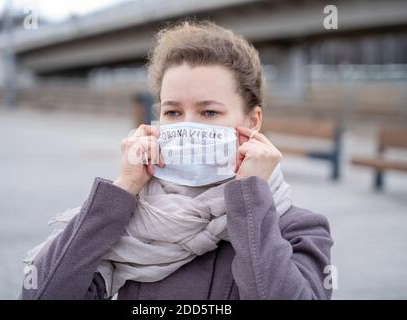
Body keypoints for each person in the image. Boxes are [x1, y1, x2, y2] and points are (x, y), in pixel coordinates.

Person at [20, 20, 333, 300]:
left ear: (252, 122)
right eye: (173, 112)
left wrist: (250, 197)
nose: (188, 126)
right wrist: (123, 189)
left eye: (209, 112)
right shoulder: (132, 220)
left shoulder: (296, 228)